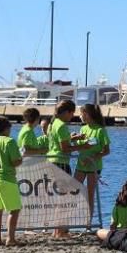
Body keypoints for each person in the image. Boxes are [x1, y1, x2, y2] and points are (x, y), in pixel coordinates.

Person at [46, 100, 83, 238]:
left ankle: (57, 230)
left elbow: (60, 143)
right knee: (65, 199)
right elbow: (65, 148)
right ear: (67, 112)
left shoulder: (53, 123)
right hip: (60, 163)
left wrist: (74, 138)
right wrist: (82, 147)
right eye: (72, 113)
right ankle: (60, 231)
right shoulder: (61, 125)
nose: (72, 116)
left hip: (53, 162)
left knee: (61, 198)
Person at [0, 116, 24, 246]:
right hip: (5, 178)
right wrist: (22, 156)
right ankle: (11, 238)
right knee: (14, 210)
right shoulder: (9, 141)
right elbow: (15, 162)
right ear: (7, 128)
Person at [74, 104, 111, 229]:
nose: (81, 116)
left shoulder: (100, 130)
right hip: (80, 164)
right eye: (81, 114)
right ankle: (69, 220)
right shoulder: (83, 129)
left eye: (83, 113)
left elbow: (106, 151)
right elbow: (80, 147)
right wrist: (74, 139)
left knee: (90, 194)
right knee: (73, 190)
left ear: (89, 114)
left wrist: (92, 158)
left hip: (93, 167)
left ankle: (87, 224)